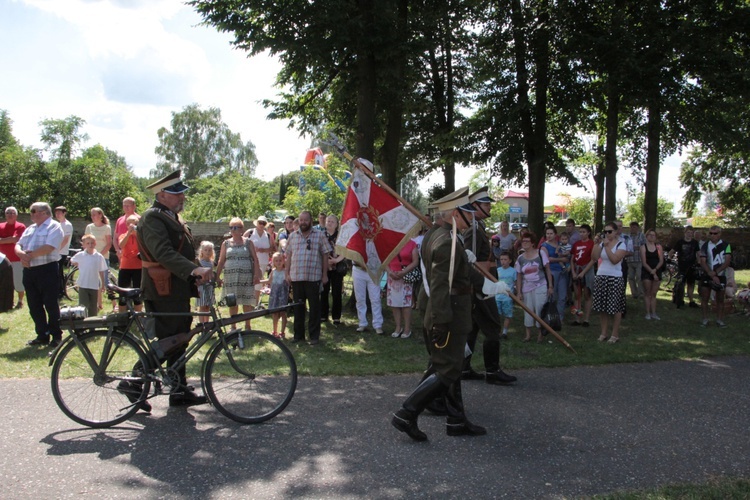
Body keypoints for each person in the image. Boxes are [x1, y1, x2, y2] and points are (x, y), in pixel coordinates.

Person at [391, 187, 509, 442]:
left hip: (444, 309)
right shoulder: (447, 242)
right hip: (450, 312)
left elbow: (455, 275)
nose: (473, 216)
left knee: (448, 365)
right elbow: (441, 285)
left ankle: (456, 419)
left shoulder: (437, 234)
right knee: (448, 369)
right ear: (456, 214)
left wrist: (485, 283)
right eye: (468, 211)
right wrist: (442, 321)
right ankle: (406, 413)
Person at [135, 170, 213, 407]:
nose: (183, 198)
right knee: (171, 339)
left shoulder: (170, 217)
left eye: (182, 193)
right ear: (161, 195)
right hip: (162, 289)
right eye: (176, 193)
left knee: (179, 338)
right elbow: (163, 253)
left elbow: (181, 252)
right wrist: (192, 270)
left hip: (174, 287)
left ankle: (178, 390)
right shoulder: (152, 218)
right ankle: (135, 379)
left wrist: (197, 271)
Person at [462, 186, 516, 384]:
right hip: (481, 287)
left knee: (473, 327)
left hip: (482, 284)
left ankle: (463, 367)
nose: (489, 207)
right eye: (486, 204)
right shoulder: (474, 230)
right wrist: (484, 286)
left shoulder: (479, 227)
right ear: (475, 206)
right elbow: (471, 262)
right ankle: (492, 372)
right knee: (493, 326)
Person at [14, 202, 64, 347]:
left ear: (44, 212)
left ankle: (56, 335)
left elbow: (49, 247)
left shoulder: (54, 226)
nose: (31, 213)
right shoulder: (30, 228)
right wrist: (21, 255)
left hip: (47, 269)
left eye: (33, 211)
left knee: (50, 304)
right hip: (30, 271)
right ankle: (42, 335)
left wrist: (29, 256)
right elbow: (18, 244)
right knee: (34, 304)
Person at [285, 210, 331, 345]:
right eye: (301, 220)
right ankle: (298, 336)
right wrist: (287, 273)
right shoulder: (293, 236)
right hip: (296, 277)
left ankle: (314, 337)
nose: (303, 223)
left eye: (305, 220)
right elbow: (288, 256)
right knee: (298, 308)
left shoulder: (319, 235)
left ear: (311, 221)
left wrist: (324, 275)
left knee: (314, 309)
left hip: (313, 278)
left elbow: (325, 255)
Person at [216, 218, 263, 330]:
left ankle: (247, 325)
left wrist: (256, 275)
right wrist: (217, 276)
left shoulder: (248, 242)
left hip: (246, 277)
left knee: (247, 302)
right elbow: (221, 261)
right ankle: (233, 326)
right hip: (230, 278)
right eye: (231, 227)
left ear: (241, 229)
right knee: (232, 301)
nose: (232, 229)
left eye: (235, 227)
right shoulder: (226, 243)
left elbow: (255, 259)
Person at [592, 222, 628, 343]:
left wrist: (607, 247)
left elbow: (614, 260)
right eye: (605, 232)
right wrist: (596, 244)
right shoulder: (602, 244)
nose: (607, 234)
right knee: (603, 307)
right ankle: (603, 333)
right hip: (601, 275)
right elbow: (594, 257)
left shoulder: (621, 245)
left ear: (616, 232)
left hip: (615, 277)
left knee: (615, 307)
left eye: (610, 231)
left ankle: (615, 334)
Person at [515, 231, 554, 343]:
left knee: (540, 309)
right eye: (523, 241)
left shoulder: (541, 254)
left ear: (532, 243)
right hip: (526, 287)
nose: (524, 243)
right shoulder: (520, 258)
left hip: (540, 285)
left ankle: (540, 334)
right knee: (528, 310)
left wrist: (550, 286)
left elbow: (547, 269)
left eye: (527, 241)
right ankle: (528, 335)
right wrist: (519, 292)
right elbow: (519, 276)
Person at [698, 226, 732, 328]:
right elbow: (702, 262)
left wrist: (716, 273)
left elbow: (727, 261)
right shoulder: (705, 245)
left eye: (715, 233)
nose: (712, 235)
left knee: (720, 299)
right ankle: (705, 319)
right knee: (705, 298)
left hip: (721, 275)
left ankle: (720, 320)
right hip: (707, 274)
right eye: (711, 233)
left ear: (720, 234)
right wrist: (710, 273)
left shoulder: (726, 245)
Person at [387, 237, 419, 339]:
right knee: (394, 303)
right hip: (392, 276)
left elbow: (415, 261)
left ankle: (407, 328)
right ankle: (398, 327)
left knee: (406, 303)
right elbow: (384, 259)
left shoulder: (412, 243)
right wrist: (390, 272)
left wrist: (403, 272)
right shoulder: (389, 242)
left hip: (406, 276)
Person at [69, 234, 108, 317]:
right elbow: (72, 260)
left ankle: (92, 323)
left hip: (94, 285)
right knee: (83, 305)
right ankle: (83, 323)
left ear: (95, 243)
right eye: (88, 243)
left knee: (93, 306)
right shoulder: (81, 255)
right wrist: (74, 262)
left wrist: (103, 284)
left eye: (92, 243)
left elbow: (101, 270)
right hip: (83, 284)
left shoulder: (98, 256)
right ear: (83, 245)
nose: (90, 245)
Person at [85, 207, 113, 312]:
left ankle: (114, 303)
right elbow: (85, 241)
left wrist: (99, 255)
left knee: (104, 281)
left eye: (94, 215)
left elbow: (109, 243)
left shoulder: (106, 227)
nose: (92, 217)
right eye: (91, 215)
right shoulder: (89, 227)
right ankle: (98, 304)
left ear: (100, 215)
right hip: (91, 257)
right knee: (93, 281)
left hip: (103, 257)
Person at [320, 214, 345, 325]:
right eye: (328, 221)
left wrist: (336, 260)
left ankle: (336, 316)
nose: (329, 223)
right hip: (324, 267)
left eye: (332, 221)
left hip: (337, 267)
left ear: (336, 224)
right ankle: (323, 315)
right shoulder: (321, 235)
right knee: (324, 292)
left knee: (336, 292)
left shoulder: (341, 236)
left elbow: (345, 250)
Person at [541, 225, 569, 321]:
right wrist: (560, 259)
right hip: (552, 272)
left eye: (551, 233)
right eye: (547, 233)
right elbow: (547, 260)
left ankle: (560, 317)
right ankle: (551, 316)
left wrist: (556, 259)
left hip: (562, 271)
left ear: (555, 234)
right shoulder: (544, 246)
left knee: (563, 295)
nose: (549, 235)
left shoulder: (560, 244)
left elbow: (567, 256)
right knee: (553, 295)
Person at [668, 226, 701, 308]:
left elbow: (698, 253)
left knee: (691, 284)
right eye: (688, 233)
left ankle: (691, 301)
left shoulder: (695, 243)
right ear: (685, 233)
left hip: (691, 266)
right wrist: (669, 258)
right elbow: (672, 251)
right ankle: (679, 299)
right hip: (682, 266)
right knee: (681, 283)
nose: (690, 234)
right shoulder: (680, 242)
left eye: (691, 233)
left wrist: (699, 262)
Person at [0, 207, 26, 308]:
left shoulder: (20, 226)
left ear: (16, 215)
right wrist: (9, 240)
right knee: (4, 282)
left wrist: (2, 240)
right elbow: (11, 239)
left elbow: (16, 239)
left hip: (16, 259)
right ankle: (8, 301)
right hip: (2, 261)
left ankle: (20, 301)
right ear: (5, 215)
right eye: (8, 213)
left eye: (12, 213)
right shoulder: (1, 226)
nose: (10, 215)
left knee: (18, 281)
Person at [117, 214, 143, 312]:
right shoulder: (123, 235)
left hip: (138, 267)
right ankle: (122, 318)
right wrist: (128, 233)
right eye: (131, 224)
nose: (133, 226)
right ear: (127, 224)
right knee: (122, 294)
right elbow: (121, 245)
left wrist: (136, 233)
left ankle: (138, 317)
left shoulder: (141, 236)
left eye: (135, 223)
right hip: (125, 267)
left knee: (137, 294)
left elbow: (143, 245)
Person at [570, 224, 595, 326]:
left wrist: (583, 272)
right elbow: (572, 259)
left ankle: (586, 319)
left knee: (587, 295)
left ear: (588, 233)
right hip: (577, 268)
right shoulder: (576, 244)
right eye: (580, 232)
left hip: (587, 270)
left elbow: (593, 259)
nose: (582, 234)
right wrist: (573, 272)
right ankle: (577, 318)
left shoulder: (591, 243)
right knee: (577, 295)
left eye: (584, 232)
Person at [352, 263, 385, 335]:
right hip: (358, 270)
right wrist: (362, 265)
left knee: (376, 299)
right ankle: (362, 323)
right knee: (360, 299)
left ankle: (378, 325)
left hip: (374, 270)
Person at [640, 229, 664, 320]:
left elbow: (661, 260)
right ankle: (647, 312)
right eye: (650, 235)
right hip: (647, 271)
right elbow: (644, 262)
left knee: (653, 293)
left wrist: (655, 270)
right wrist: (651, 271)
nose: (651, 236)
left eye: (653, 235)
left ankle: (654, 312)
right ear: (646, 236)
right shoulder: (643, 247)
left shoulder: (658, 247)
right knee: (647, 292)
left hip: (657, 271)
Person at [265, 251, 289, 338]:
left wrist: (289, 280)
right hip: (274, 295)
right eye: (276, 261)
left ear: (283, 261)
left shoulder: (285, 271)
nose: (278, 262)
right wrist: (259, 281)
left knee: (283, 313)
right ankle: (274, 330)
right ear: (273, 262)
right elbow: (268, 281)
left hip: (282, 295)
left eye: (280, 260)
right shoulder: (273, 271)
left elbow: (288, 281)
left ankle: (282, 331)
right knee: (274, 313)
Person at [495, 252, 516, 339]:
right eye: (501, 259)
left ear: (510, 261)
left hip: (507, 297)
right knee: (497, 315)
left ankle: (505, 332)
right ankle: (497, 331)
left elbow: (516, 282)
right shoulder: (497, 270)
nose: (503, 261)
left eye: (505, 259)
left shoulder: (513, 271)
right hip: (497, 297)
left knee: (507, 315)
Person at [54, 206, 73, 299]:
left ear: (64, 213)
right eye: (56, 213)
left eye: (59, 213)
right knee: (58, 271)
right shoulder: (58, 224)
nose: (57, 215)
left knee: (58, 271)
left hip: (62, 252)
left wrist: (57, 249)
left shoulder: (67, 225)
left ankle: (60, 291)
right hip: (56, 252)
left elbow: (66, 239)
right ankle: (59, 290)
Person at [196, 241, 216, 324]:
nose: (208, 252)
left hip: (209, 286)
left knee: (208, 306)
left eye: (209, 250)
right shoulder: (199, 262)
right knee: (202, 306)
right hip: (201, 286)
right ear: (202, 251)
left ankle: (207, 323)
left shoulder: (211, 263)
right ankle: (202, 324)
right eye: (206, 250)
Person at [627, 221, 646, 299]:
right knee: (631, 277)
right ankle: (634, 293)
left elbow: (644, 246)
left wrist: (637, 248)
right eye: (631, 227)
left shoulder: (641, 236)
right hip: (629, 259)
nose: (632, 229)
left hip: (639, 259)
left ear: (637, 228)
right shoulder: (628, 237)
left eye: (634, 227)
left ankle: (641, 293)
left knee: (639, 276)